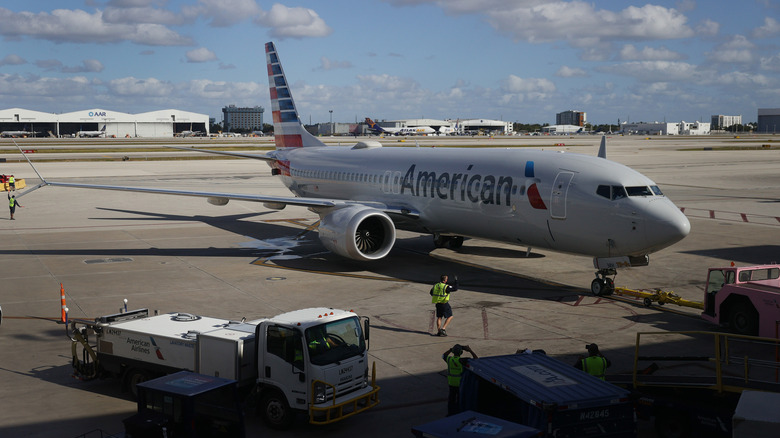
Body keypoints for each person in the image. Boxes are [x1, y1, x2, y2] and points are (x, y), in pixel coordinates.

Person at [442, 344, 477, 416]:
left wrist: (451, 349)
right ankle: (458, 413)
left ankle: (450, 413)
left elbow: (443, 355)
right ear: (461, 353)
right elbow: (476, 359)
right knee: (459, 399)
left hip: (451, 383)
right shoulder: (462, 360)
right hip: (459, 383)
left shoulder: (449, 359)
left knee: (451, 399)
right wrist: (470, 350)